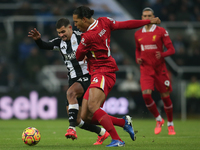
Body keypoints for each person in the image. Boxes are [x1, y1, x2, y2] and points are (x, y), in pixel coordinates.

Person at [73, 6, 161, 147]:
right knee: (85, 117)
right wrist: (146, 22)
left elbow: (78, 56)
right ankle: (123, 122)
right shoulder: (104, 22)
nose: (75, 25)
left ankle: (117, 139)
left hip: (103, 72)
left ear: (84, 19)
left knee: (93, 106)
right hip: (98, 72)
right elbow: (125, 24)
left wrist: (82, 46)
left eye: (76, 22)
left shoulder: (87, 37)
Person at [28, 18, 110, 145]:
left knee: (70, 93)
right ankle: (102, 132)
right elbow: (45, 45)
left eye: (63, 32)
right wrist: (38, 40)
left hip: (88, 76)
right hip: (73, 79)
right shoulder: (59, 42)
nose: (61, 35)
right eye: (59, 33)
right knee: (77, 119)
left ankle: (71, 129)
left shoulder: (82, 37)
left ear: (70, 28)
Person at [134, 7, 176, 135]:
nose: (147, 18)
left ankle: (170, 124)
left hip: (160, 69)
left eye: (149, 16)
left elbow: (171, 49)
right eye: (145, 16)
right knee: (146, 95)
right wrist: (138, 58)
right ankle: (158, 119)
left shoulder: (161, 31)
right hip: (146, 69)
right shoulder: (138, 34)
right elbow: (137, 49)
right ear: (142, 18)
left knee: (165, 97)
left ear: (153, 17)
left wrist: (162, 55)